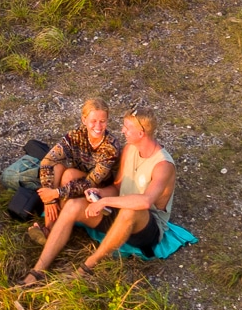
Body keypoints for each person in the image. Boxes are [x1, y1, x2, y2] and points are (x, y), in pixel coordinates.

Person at [20, 110, 176, 288]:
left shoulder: (163, 165)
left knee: (132, 210)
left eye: (127, 127)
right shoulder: (130, 149)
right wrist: (99, 194)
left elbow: (146, 201)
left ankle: (87, 266)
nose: (122, 130)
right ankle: (37, 270)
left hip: (147, 226)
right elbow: (117, 188)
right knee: (72, 206)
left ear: (141, 133)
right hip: (118, 210)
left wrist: (104, 202)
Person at [29, 99, 119, 236]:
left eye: (102, 121)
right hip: (76, 183)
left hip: (99, 190)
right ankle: (50, 228)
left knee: (68, 174)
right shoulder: (75, 136)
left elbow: (91, 182)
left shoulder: (110, 147)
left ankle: (53, 231)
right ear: (84, 120)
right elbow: (47, 161)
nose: (98, 126)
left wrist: (56, 193)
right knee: (57, 167)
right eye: (93, 121)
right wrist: (49, 199)